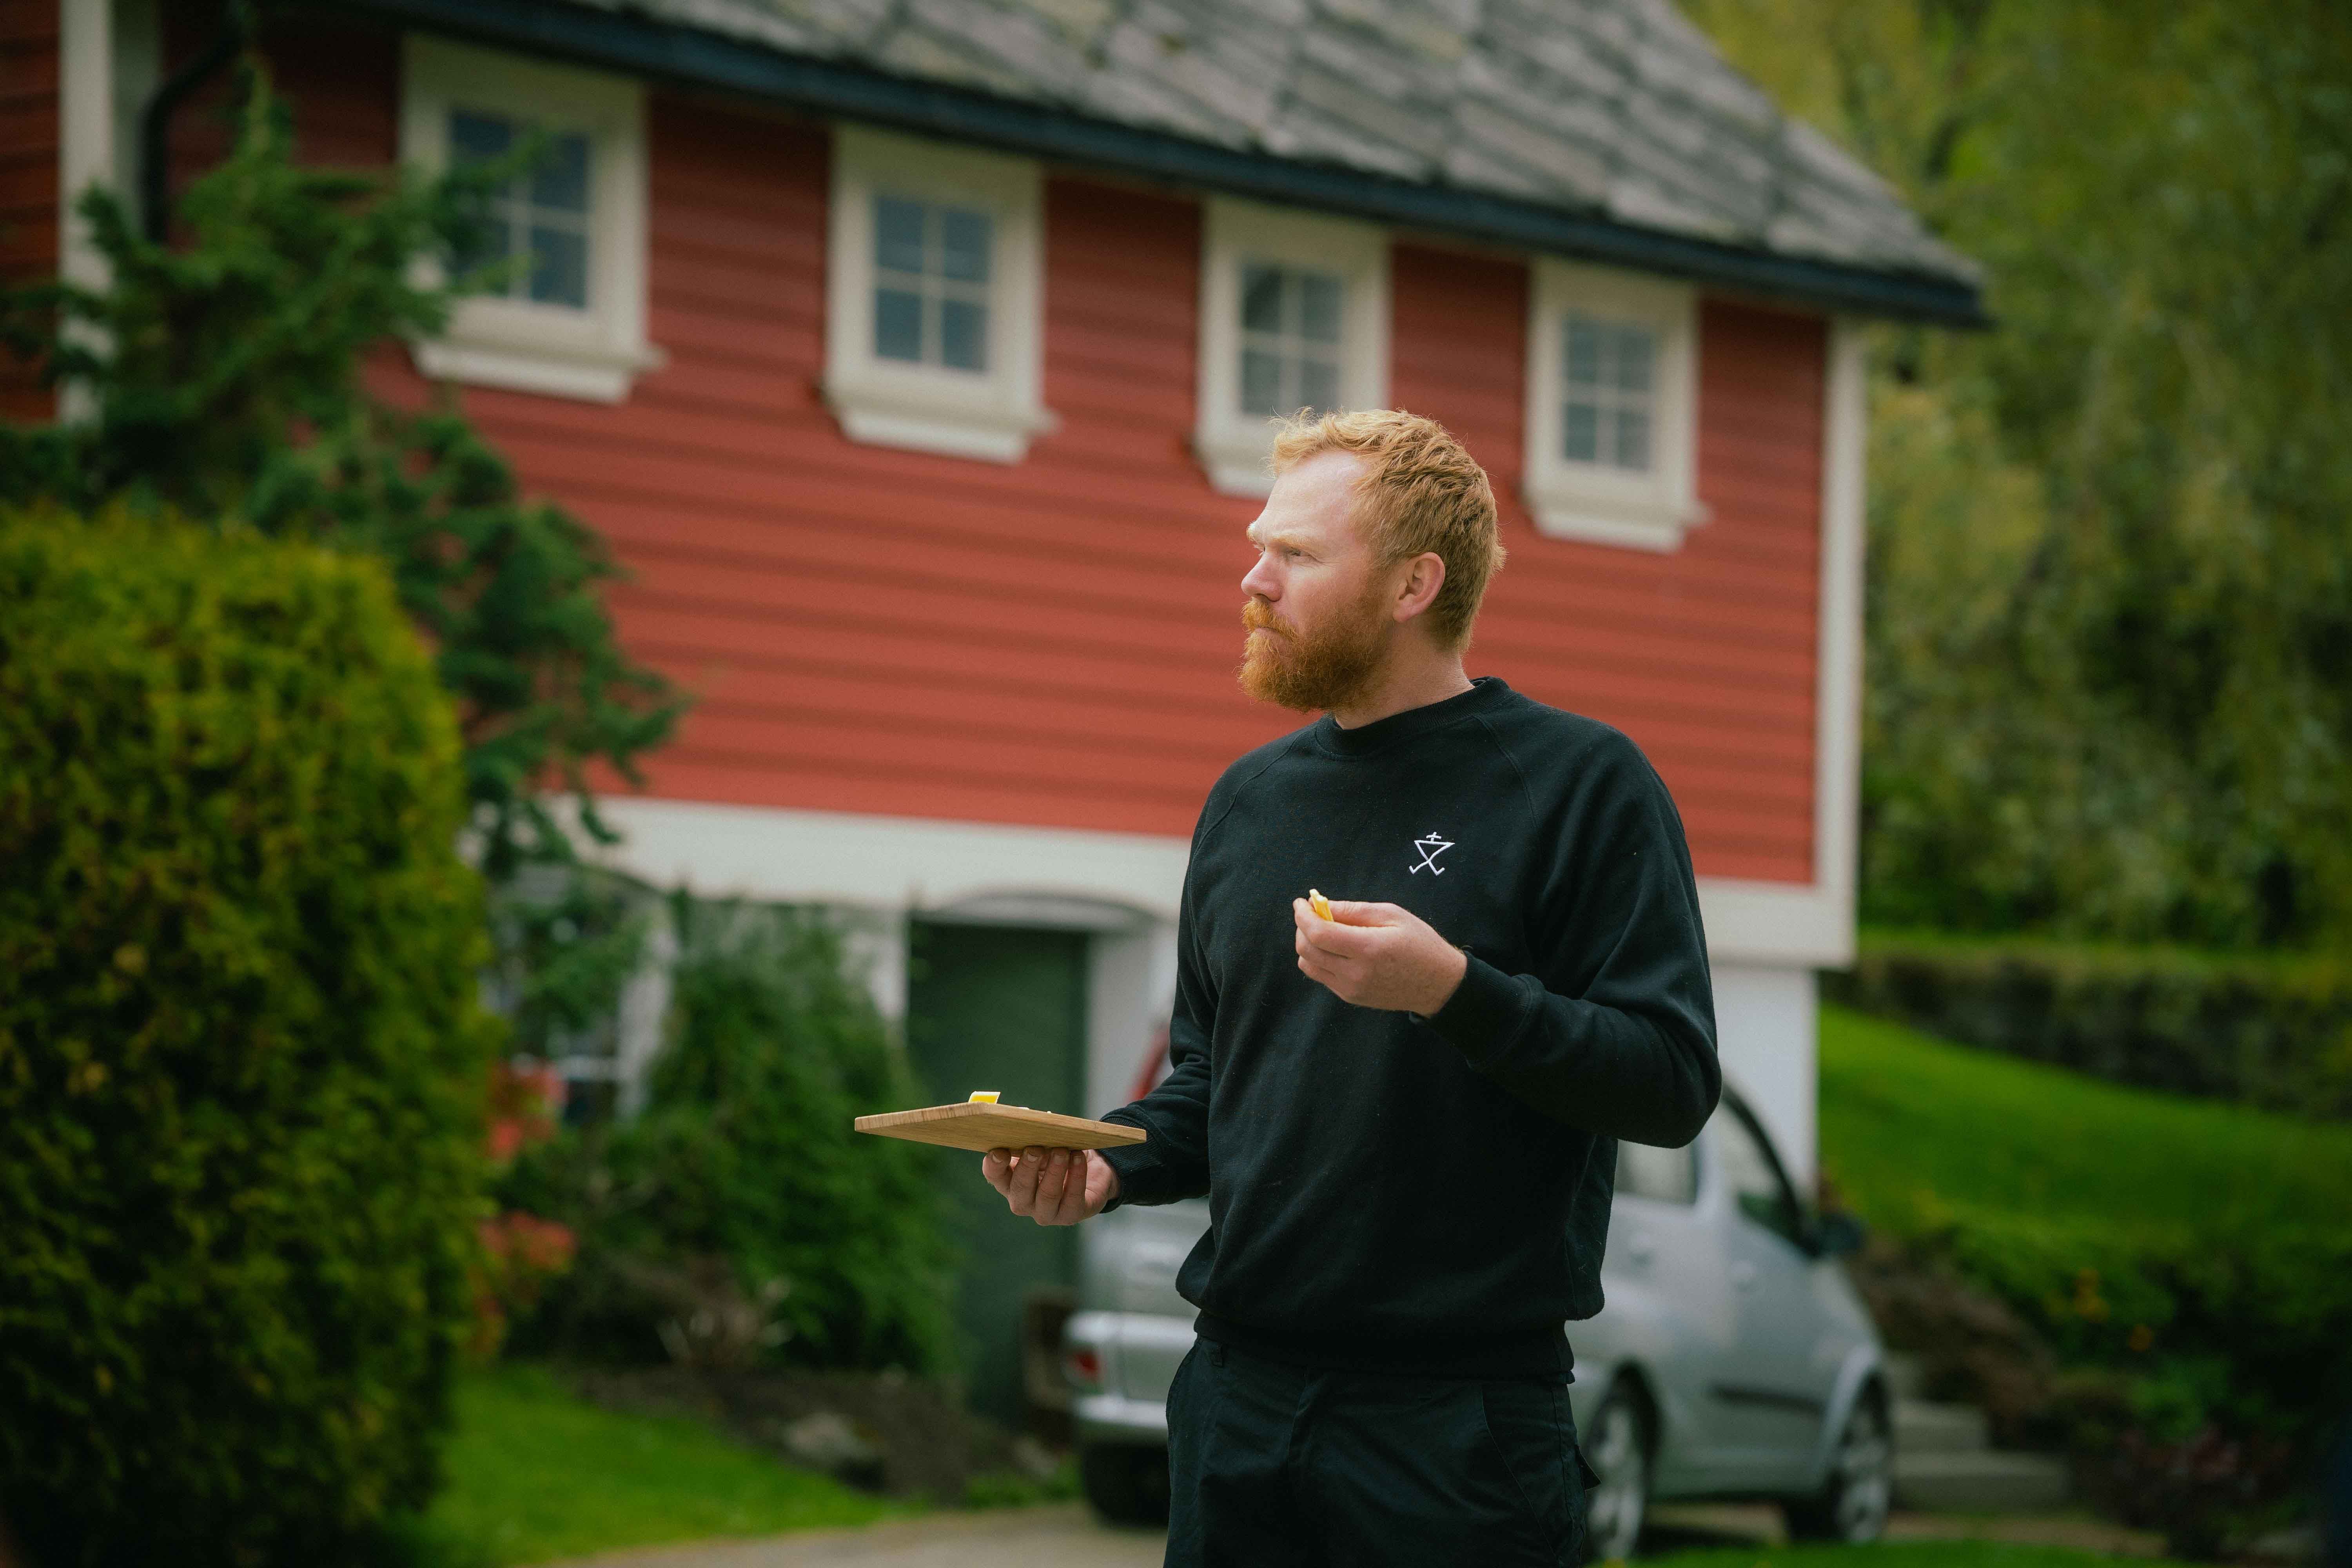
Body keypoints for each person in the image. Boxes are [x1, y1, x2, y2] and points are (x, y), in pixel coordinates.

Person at [981, 409, 1719, 1567]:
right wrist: (1110, 1162)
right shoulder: (1248, 801)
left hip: (1457, 1433)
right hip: (1236, 1404)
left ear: (1414, 584)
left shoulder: (1581, 785)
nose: (1254, 580)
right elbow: (1213, 1082)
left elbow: (1669, 1083)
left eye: (1297, 555)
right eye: (1259, 548)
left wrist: (1453, 989)